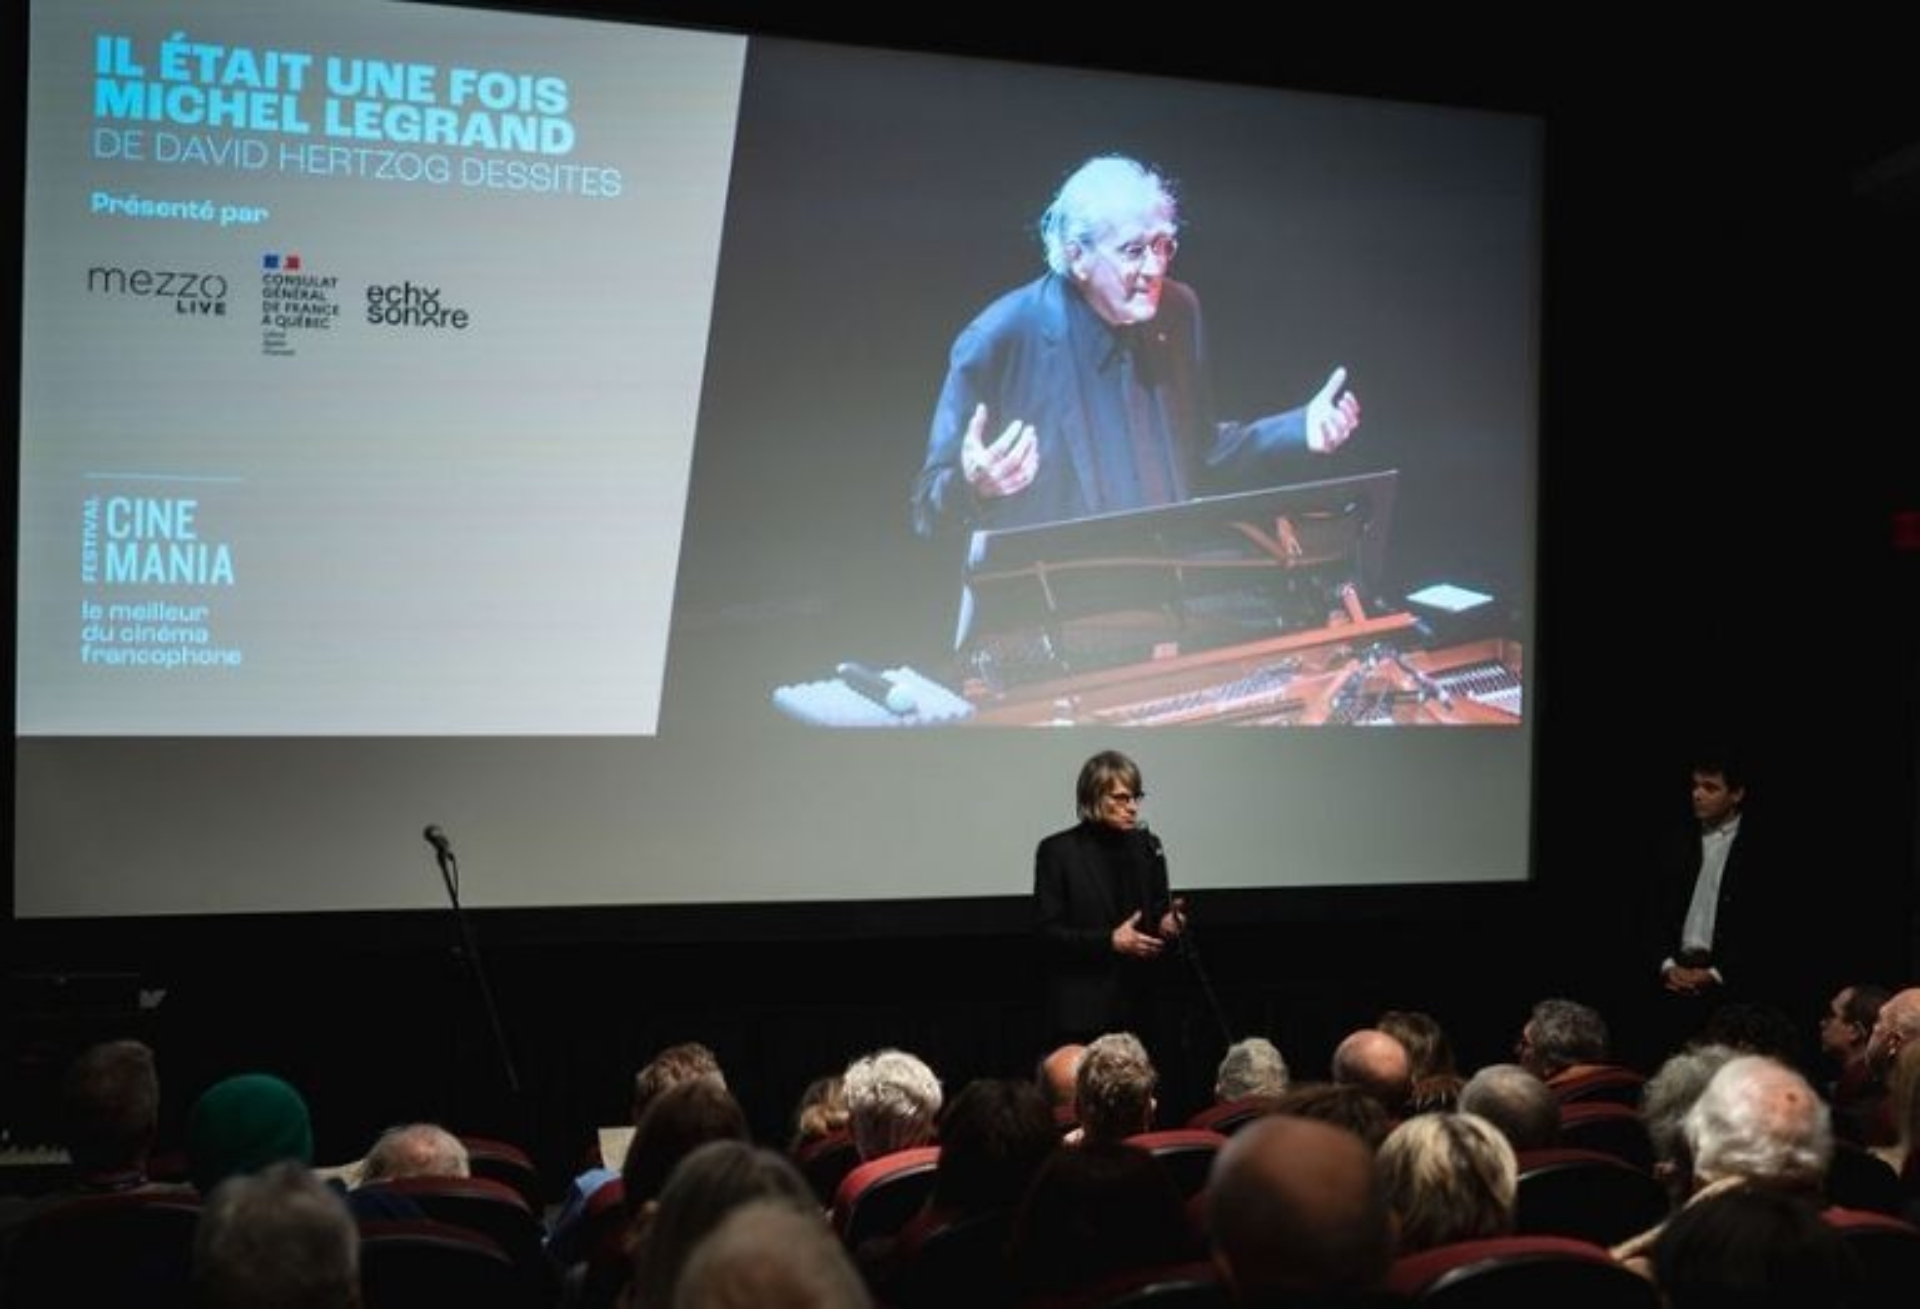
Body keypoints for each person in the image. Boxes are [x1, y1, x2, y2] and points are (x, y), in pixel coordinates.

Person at [910, 155, 1360, 541]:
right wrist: (975, 487)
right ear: (1078, 255)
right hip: (1058, 614)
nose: (1155, 268)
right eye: (1133, 250)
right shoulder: (1001, 338)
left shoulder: (1179, 311)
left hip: (1171, 600)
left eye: (1163, 245)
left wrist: (1301, 430)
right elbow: (926, 509)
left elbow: (1200, 453)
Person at [1034, 751, 1184, 1048]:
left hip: (1144, 1008)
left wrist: (1168, 923)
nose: (1132, 808)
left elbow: (1156, 910)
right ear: (1093, 797)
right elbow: (1047, 933)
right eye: (1120, 798)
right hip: (1084, 1012)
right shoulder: (1058, 851)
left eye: (1135, 798)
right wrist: (1109, 941)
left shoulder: (1147, 846)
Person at [1644, 754, 1787, 1056]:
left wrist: (1716, 973)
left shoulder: (1761, 846)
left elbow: (1767, 923)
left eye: (1710, 788)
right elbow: (1649, 910)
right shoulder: (1674, 840)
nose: (1697, 794)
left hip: (1732, 986)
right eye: (1695, 786)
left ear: (1736, 794)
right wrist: (1668, 965)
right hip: (1674, 979)